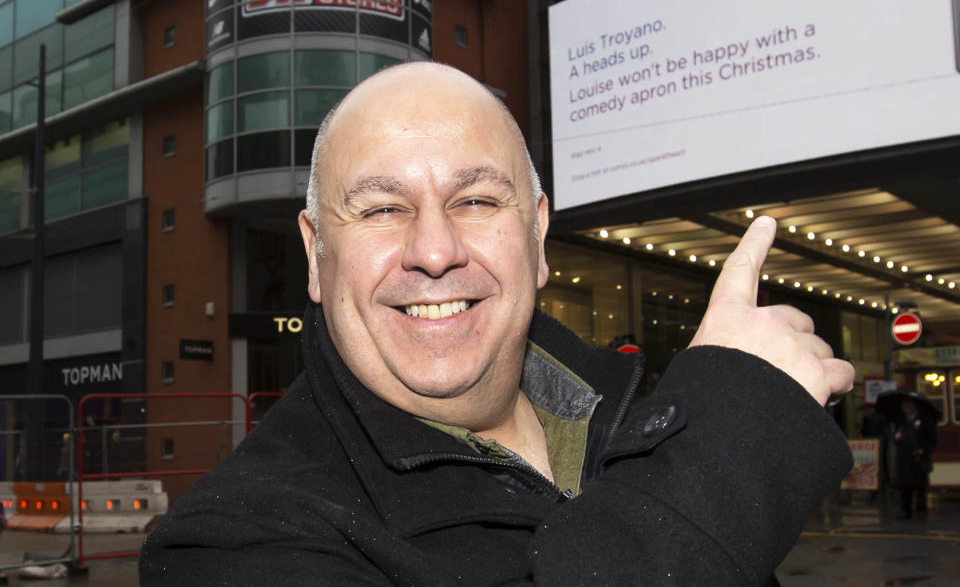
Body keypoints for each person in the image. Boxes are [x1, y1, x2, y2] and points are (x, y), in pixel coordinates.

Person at [139, 62, 854, 585]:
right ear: (315, 255)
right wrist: (727, 447)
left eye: (477, 200)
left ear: (538, 237)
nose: (435, 251)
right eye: (382, 209)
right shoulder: (230, 543)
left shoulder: (630, 429)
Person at [892, 397, 937, 519]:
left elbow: (932, 438)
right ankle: (906, 509)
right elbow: (894, 439)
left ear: (914, 407)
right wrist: (896, 437)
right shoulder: (900, 421)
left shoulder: (925, 420)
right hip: (904, 458)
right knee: (904, 485)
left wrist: (923, 449)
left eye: (908, 406)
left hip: (918, 457)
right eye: (904, 406)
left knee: (920, 484)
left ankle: (921, 509)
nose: (905, 408)